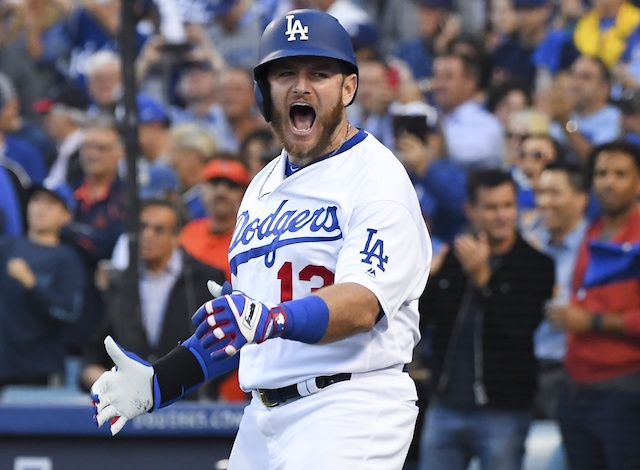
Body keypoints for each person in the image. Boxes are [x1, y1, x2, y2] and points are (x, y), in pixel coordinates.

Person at [90, 10, 431, 470]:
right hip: (262, 413)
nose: (301, 86)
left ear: (349, 88)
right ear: (264, 92)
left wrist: (267, 318)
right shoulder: (262, 186)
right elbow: (244, 325)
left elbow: (362, 304)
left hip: (349, 403)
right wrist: (161, 381)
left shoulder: (377, 177)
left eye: (320, 73)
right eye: (285, 72)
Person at [418, 169, 555, 470]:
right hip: (445, 405)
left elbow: (520, 328)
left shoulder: (537, 265)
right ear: (471, 210)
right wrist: (426, 282)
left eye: (508, 206)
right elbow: (422, 323)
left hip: (504, 410)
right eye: (491, 207)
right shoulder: (454, 257)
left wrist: (484, 280)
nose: (502, 215)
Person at [549, 140, 640, 469]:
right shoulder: (593, 231)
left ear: (638, 182)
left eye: (620, 174)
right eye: (601, 173)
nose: (608, 181)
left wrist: (593, 322)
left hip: (625, 386)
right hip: (575, 385)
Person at [81, 198, 230, 398]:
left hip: (189, 406)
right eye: (142, 227)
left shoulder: (205, 280)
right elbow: (94, 352)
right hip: (133, 406)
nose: (147, 236)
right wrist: (101, 378)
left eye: (158, 230)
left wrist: (194, 381)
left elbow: (228, 344)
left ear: (177, 237)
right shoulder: (120, 283)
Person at [522, 161, 589, 420]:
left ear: (581, 199)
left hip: (569, 372)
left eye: (554, 193)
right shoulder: (530, 244)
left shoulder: (596, 248)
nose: (544, 202)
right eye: (540, 193)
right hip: (524, 368)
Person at [0, 182, 85, 386]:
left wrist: (32, 284)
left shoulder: (67, 260)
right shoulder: (7, 247)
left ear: (66, 216)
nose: (40, 208)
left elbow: (69, 312)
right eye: (36, 200)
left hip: (39, 370)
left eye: (50, 204)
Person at [180, 158, 251, 282]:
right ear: (201, 189)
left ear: (244, 194)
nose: (221, 192)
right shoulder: (189, 231)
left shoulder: (249, 239)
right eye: (214, 183)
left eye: (231, 185)